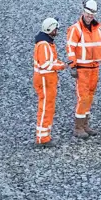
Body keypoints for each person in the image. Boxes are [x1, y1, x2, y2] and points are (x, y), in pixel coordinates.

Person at [66, 0, 101, 138]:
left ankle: (85, 124)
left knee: (90, 96)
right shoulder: (75, 29)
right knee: (83, 97)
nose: (89, 16)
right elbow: (70, 48)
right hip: (82, 68)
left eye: (92, 14)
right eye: (88, 13)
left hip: (94, 68)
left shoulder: (98, 29)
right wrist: (73, 66)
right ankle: (78, 127)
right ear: (83, 12)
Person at [32, 17, 66, 147]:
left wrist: (61, 64)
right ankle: (42, 138)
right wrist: (61, 66)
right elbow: (46, 64)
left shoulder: (45, 43)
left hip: (47, 80)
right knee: (46, 107)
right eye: (56, 29)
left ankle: (45, 135)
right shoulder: (44, 45)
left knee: (48, 107)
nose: (57, 31)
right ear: (50, 29)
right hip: (45, 80)